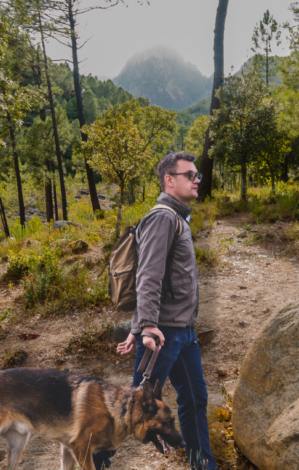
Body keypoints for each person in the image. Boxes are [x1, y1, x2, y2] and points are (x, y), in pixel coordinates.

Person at [93, 152, 217, 470]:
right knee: (131, 409)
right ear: (169, 180)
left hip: (183, 332)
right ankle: (92, 457)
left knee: (194, 399)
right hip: (163, 332)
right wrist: (146, 326)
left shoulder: (177, 218)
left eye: (197, 174)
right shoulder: (162, 217)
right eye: (189, 174)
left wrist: (137, 328)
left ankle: (202, 464)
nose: (196, 179)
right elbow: (148, 275)